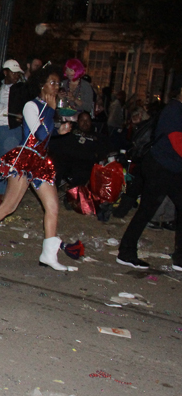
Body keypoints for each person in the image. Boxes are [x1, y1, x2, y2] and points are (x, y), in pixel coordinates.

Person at [0, 69, 77, 271]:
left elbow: (47, 133)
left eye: (58, 83)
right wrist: (51, 112)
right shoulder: (31, 106)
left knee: (51, 207)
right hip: (26, 161)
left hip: (40, 162)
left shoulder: (46, 107)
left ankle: (48, 255)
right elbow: (39, 135)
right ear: (42, 84)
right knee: (10, 205)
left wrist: (59, 130)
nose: (56, 87)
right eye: (52, 82)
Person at [116, 86, 182, 270]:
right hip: (161, 168)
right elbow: (178, 143)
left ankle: (180, 258)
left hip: (172, 168)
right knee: (146, 210)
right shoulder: (173, 111)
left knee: (150, 209)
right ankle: (126, 252)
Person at [0, 60, 30, 211]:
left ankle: (7, 199)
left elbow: (28, 102)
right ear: (5, 72)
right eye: (13, 72)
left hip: (11, 128)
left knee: (9, 164)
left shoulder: (21, 88)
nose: (15, 76)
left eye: (17, 73)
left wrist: (23, 115)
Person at [49, 111, 110, 187]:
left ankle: (75, 195)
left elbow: (102, 152)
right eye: (82, 120)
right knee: (57, 163)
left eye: (87, 120)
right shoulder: (70, 132)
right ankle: (53, 189)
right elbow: (59, 145)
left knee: (83, 171)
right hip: (68, 160)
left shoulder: (97, 137)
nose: (85, 122)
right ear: (78, 122)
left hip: (85, 163)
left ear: (91, 122)